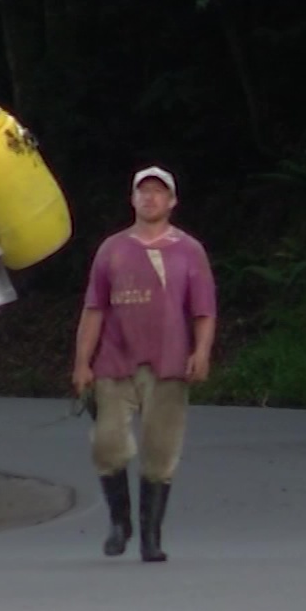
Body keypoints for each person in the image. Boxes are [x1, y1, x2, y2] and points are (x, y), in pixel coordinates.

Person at [71, 165, 217, 563]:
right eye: (143, 192)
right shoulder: (112, 249)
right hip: (114, 361)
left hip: (168, 364)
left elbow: (204, 310)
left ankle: (151, 536)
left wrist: (201, 352)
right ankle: (120, 523)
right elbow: (94, 309)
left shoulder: (189, 250)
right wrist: (82, 363)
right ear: (133, 199)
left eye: (158, 192)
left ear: (172, 201)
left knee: (160, 451)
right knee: (107, 445)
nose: (150, 198)